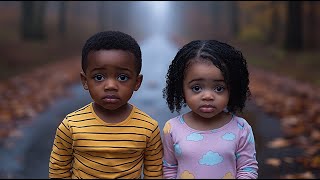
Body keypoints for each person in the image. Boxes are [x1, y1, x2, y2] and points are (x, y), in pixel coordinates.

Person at [49, 31, 163, 179]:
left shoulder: (148, 128)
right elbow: (58, 170)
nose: (110, 86)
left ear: (137, 82)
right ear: (84, 81)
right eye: (99, 77)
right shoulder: (71, 125)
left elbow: (154, 173)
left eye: (122, 77)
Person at [162, 40, 258, 179]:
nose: (207, 96)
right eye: (197, 88)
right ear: (181, 88)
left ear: (232, 89)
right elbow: (169, 168)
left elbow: (247, 169)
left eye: (219, 88)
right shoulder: (172, 128)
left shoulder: (241, 128)